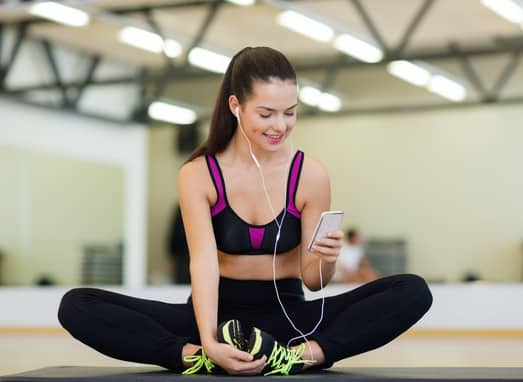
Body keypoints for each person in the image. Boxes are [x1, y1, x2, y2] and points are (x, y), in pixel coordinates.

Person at [57, 46, 432, 376]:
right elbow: (202, 262)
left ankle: (301, 357)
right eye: (267, 113)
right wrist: (209, 340)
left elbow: (313, 281)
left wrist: (326, 259)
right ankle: (195, 358)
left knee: (413, 291)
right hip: (214, 315)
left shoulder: (311, 175)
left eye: (290, 113)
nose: (280, 126)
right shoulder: (198, 175)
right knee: (77, 305)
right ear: (236, 105)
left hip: (289, 319)